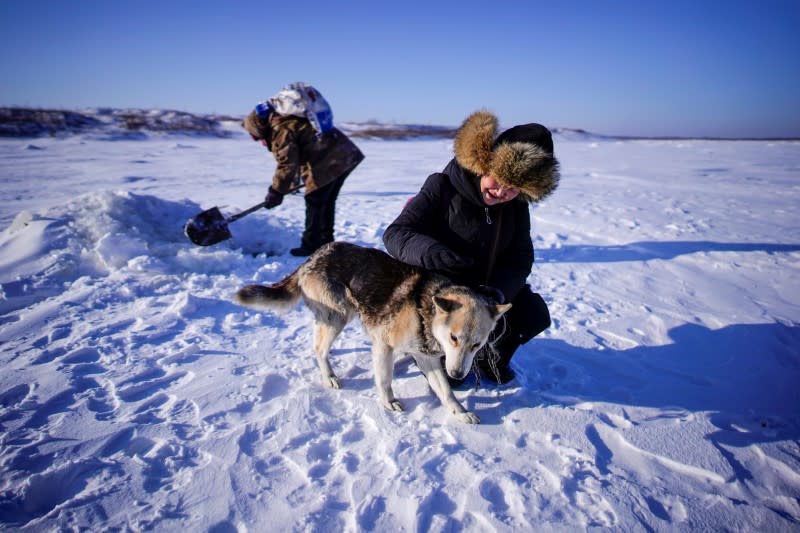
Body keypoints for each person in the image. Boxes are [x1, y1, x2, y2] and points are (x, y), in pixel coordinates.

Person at [382, 110, 560, 384]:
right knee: (452, 380)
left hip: (486, 293)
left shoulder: (516, 207)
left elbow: (520, 258)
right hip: (444, 295)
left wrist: (498, 292)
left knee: (532, 314)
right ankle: (434, 350)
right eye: (498, 179)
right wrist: (432, 253)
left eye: (513, 189)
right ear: (484, 164)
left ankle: (492, 354)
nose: (501, 193)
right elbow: (396, 234)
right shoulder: (442, 186)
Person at [242, 100, 364, 256]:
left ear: (259, 127)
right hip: (346, 155)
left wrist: (276, 191)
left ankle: (311, 246)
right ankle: (326, 242)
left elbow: (287, 164)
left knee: (315, 200)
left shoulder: (280, 129)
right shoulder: (287, 120)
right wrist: (283, 187)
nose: (258, 141)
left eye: (255, 137)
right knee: (325, 201)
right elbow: (297, 159)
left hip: (331, 160)